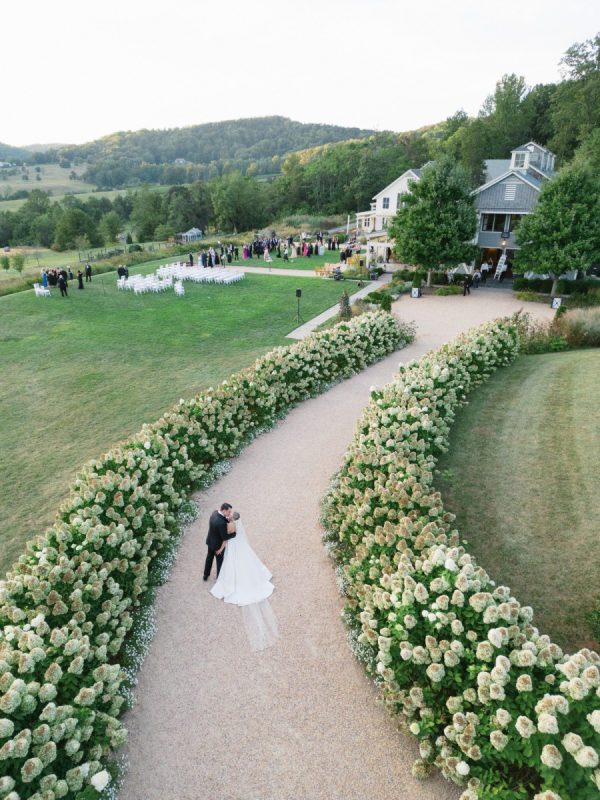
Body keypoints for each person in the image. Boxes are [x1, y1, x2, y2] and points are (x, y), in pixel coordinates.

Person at [211, 511, 274, 605]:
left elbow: (225, 539)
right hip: (241, 545)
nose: (229, 515)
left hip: (233, 547)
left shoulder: (230, 526)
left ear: (233, 518)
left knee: (232, 563)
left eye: (231, 515)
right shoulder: (238, 524)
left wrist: (220, 549)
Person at [204, 503, 236, 581]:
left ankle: (205, 575)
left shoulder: (214, 513)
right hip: (218, 546)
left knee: (209, 558)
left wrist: (227, 519)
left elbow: (221, 519)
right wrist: (234, 534)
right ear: (224, 510)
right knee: (219, 562)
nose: (230, 513)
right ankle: (219, 578)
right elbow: (225, 537)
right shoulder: (222, 523)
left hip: (210, 541)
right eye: (229, 511)